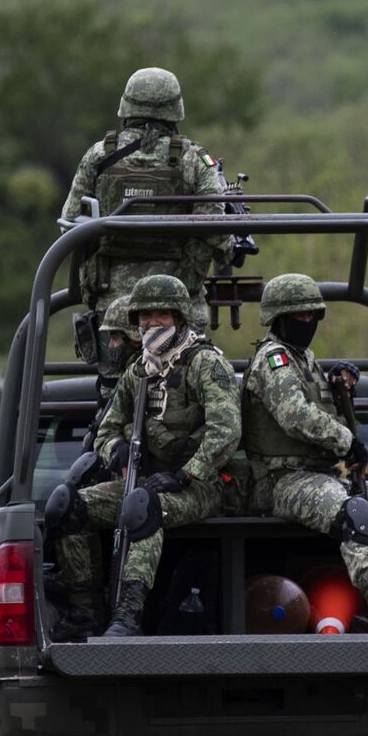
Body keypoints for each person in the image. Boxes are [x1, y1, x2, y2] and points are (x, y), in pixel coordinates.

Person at [239, 274, 368, 635]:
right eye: (300, 317)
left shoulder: (304, 361)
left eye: (313, 315)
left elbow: (316, 409)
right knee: (355, 512)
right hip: (282, 481)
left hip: (324, 477)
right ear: (278, 319)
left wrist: (337, 385)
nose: (308, 323)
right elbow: (294, 415)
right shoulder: (274, 360)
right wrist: (345, 440)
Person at [48, 274, 240, 640]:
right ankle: (86, 612)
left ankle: (128, 616)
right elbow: (107, 428)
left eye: (161, 315)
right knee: (66, 506)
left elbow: (226, 432)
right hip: (145, 480)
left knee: (143, 506)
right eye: (144, 316)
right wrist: (114, 449)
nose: (152, 323)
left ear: (179, 318)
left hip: (201, 486)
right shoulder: (139, 370)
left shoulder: (205, 364)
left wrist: (186, 474)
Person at [56, 67, 230, 329]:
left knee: (114, 370)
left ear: (126, 106)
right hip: (179, 308)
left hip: (113, 309)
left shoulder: (99, 155)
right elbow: (216, 231)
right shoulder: (194, 159)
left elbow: (69, 222)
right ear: (176, 109)